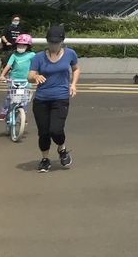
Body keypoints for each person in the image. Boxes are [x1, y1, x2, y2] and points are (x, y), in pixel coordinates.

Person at [28, 26, 79, 173]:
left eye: (56, 42)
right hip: (41, 99)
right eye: (51, 42)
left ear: (62, 41)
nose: (54, 45)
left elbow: (76, 69)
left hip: (60, 98)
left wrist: (73, 84)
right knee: (43, 132)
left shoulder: (70, 54)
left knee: (55, 130)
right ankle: (45, 159)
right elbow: (30, 76)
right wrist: (35, 77)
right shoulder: (38, 57)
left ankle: (62, 149)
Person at [0, 33, 34, 120]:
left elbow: (37, 65)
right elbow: (8, 66)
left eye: (23, 46)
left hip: (26, 81)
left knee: (24, 99)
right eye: (19, 45)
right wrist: (2, 75)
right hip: (13, 80)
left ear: (28, 46)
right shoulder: (14, 55)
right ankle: (4, 111)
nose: (21, 47)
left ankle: (23, 115)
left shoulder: (32, 55)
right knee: (9, 97)